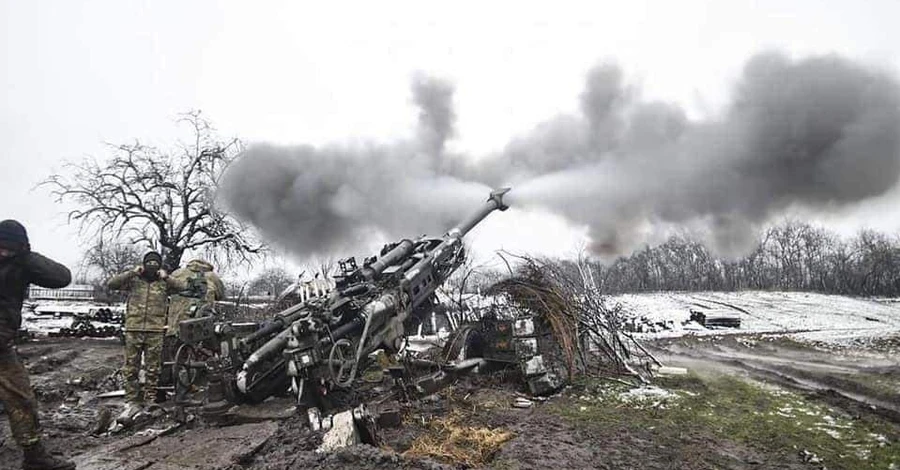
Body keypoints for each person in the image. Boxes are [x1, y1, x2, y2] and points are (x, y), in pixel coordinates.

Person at [0, 220, 76, 470]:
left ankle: (34, 455)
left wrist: (26, 258)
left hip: (1, 345)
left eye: (9, 248)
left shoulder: (22, 264)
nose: (3, 252)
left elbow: (62, 277)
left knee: (21, 399)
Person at [107, 251, 185, 421]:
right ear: (143, 264)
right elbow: (111, 284)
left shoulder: (164, 283)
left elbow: (183, 287)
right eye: (148, 262)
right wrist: (132, 272)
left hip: (155, 330)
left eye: (154, 263)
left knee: (153, 368)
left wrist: (167, 277)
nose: (151, 265)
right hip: (133, 329)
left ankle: (150, 400)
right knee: (131, 368)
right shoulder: (134, 280)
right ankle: (132, 401)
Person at [160, 259, 224, 399]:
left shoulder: (177, 273)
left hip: (176, 324)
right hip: (200, 325)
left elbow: (166, 291)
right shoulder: (211, 276)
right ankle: (203, 389)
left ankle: (180, 390)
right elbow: (221, 295)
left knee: (178, 358)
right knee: (204, 355)